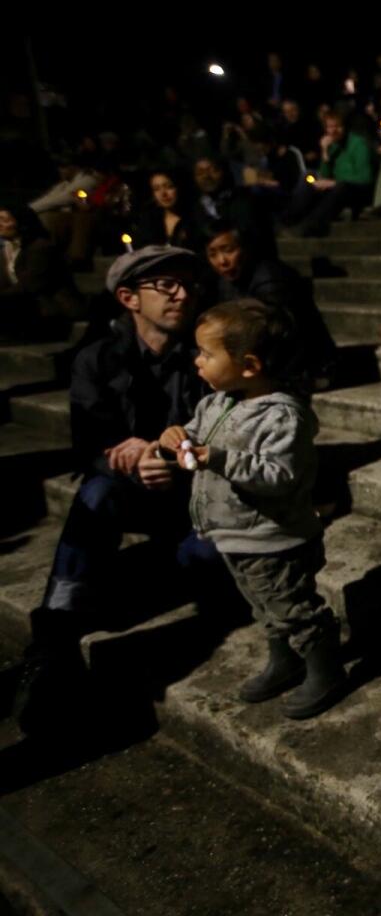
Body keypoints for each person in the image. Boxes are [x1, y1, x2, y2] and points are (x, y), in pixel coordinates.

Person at [11, 246, 212, 734]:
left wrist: (168, 458)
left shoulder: (206, 354)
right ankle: (53, 646)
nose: (181, 295)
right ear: (129, 297)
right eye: (166, 286)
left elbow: (225, 431)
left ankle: (129, 579)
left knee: (204, 563)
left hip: (192, 493)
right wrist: (130, 460)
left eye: (187, 284)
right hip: (129, 492)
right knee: (96, 495)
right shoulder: (96, 359)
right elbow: (91, 445)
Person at [157, 299, 342, 720]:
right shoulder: (217, 402)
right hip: (234, 534)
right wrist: (177, 436)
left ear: (249, 364)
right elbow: (197, 435)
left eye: (207, 353)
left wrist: (216, 458)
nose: (197, 360)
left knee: (293, 606)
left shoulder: (281, 416)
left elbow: (279, 476)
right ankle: (285, 659)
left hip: (274, 538)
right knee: (263, 606)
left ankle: (324, 664)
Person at [205, 222, 338, 388]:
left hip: (306, 367)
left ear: (245, 248)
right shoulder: (226, 281)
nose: (222, 261)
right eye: (213, 254)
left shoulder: (270, 278)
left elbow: (281, 335)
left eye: (229, 250)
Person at [0, 202, 85, 342]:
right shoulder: (6, 249)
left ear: (22, 223)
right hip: (22, 303)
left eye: (5, 220)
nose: (0, 224)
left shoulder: (41, 248)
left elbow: (31, 285)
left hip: (49, 306)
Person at [283, 112, 377, 238]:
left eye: (337, 127)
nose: (333, 131)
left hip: (356, 188)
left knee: (341, 188)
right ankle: (288, 220)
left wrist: (334, 183)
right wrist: (325, 153)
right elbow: (324, 175)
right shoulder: (331, 145)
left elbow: (364, 177)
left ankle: (311, 226)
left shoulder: (358, 143)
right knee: (308, 176)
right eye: (330, 127)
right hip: (336, 186)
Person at [193, 156, 277, 260]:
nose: (206, 176)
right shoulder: (196, 209)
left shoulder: (246, 201)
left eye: (213, 170)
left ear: (225, 171)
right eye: (200, 173)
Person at [131, 170, 201, 252]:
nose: (163, 193)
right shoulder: (149, 220)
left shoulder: (195, 218)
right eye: (156, 189)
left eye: (169, 187)